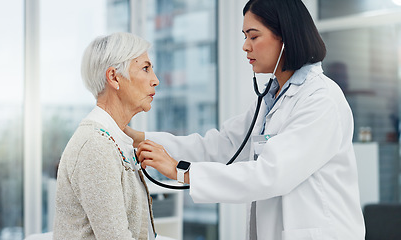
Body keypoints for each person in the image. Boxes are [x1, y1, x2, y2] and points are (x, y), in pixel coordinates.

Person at [125, 0, 366, 239]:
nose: (245, 46)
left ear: (285, 37)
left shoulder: (321, 99)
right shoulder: (272, 98)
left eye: (253, 36)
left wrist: (181, 172)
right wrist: (142, 139)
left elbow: (271, 174)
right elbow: (221, 146)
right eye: (244, 36)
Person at [53, 32, 160, 239]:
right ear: (113, 77)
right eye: (145, 69)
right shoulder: (95, 147)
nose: (155, 80)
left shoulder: (114, 141)